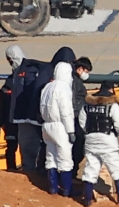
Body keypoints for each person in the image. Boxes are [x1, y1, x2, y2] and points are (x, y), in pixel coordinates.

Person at [78, 81, 119, 206]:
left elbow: (82, 122)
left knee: (91, 167)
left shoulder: (87, 105)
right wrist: (115, 133)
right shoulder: (112, 105)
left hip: (91, 139)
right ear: (111, 90)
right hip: (107, 138)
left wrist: (89, 133)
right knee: (116, 167)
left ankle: (87, 199)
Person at [39, 62, 75, 196]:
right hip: (60, 126)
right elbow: (66, 112)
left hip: (47, 125)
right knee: (65, 158)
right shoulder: (63, 88)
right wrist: (70, 130)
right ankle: (67, 189)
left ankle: (53, 187)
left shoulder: (47, 86)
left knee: (51, 157)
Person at [0, 45, 25, 171]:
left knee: (12, 146)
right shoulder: (32, 73)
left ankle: (13, 169)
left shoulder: (9, 83)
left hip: (14, 121)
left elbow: (2, 105)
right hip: (24, 120)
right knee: (24, 147)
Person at [71, 56, 93, 179]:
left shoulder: (73, 80)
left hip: (75, 118)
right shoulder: (76, 83)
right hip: (76, 119)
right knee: (77, 148)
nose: (87, 74)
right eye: (86, 71)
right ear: (80, 69)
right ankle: (72, 175)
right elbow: (75, 101)